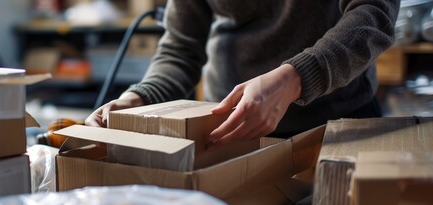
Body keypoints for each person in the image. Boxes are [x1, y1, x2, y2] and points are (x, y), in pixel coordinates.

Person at [86, 0, 400, 148]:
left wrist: (295, 78)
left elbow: (372, 14)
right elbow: (181, 50)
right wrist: (138, 99)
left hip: (338, 127)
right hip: (229, 134)